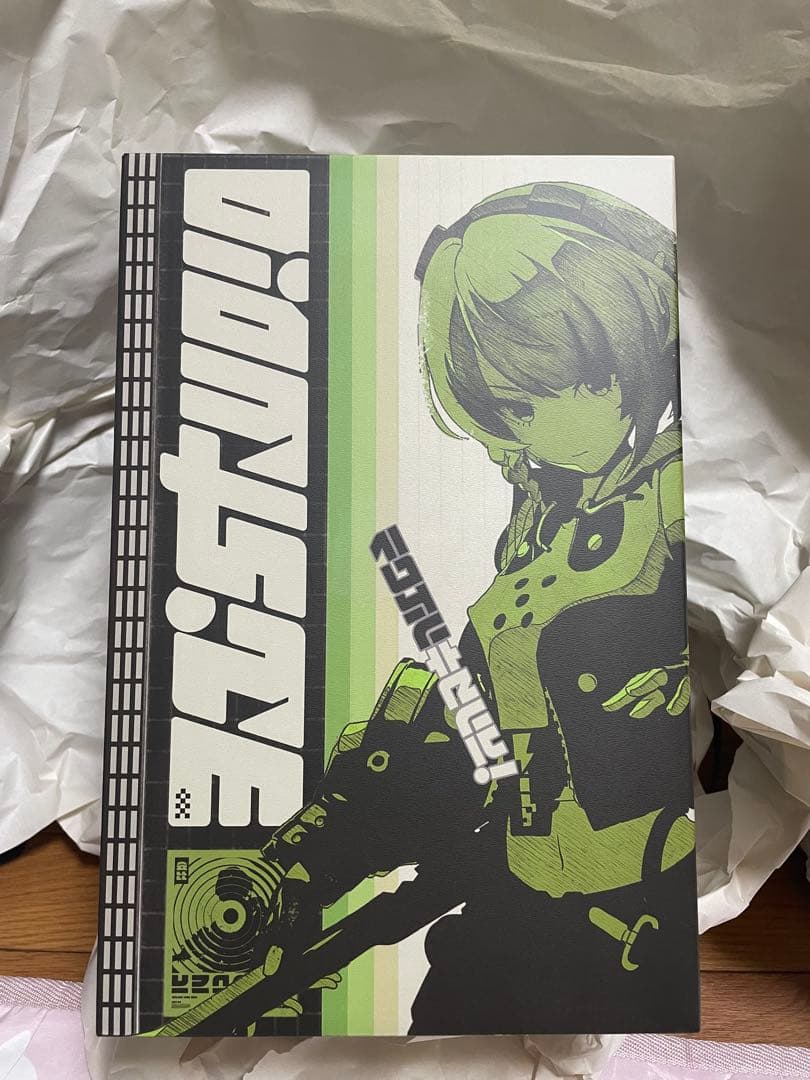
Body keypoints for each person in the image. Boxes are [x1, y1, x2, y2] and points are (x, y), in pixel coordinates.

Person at [257, 182, 698, 1033]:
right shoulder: (542, 523)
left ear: (621, 358)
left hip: (648, 920)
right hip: (512, 906)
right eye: (494, 409)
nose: (507, 439)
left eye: (524, 404)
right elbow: (474, 733)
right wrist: (325, 849)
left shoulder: (681, 502)